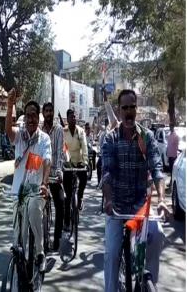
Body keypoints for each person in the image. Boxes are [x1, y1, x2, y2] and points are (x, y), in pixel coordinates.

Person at [102, 89, 169, 292]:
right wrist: (109, 200)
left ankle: (148, 282)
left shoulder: (146, 137)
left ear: (136, 109)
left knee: (157, 235)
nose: (129, 111)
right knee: (112, 254)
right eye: (125, 108)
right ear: (119, 111)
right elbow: (107, 173)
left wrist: (162, 200)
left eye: (132, 107)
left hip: (141, 208)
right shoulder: (111, 139)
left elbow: (157, 169)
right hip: (118, 208)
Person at [6, 88, 51, 272]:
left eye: (34, 115)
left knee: (33, 208)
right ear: (24, 118)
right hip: (20, 190)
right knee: (18, 229)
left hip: (36, 190)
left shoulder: (44, 139)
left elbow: (47, 161)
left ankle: (40, 253)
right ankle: (21, 256)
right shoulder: (19, 136)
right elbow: (8, 129)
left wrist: (44, 183)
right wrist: (9, 105)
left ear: (38, 117)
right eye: (27, 116)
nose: (31, 119)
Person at [41, 102, 64, 251]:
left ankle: (56, 238)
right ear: (43, 113)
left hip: (55, 173)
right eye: (46, 111)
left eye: (51, 111)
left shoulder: (59, 130)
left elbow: (60, 152)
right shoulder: (39, 130)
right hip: (42, 174)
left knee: (60, 204)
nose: (49, 113)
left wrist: (60, 172)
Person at [63, 109, 88, 216]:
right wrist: (65, 160)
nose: (73, 119)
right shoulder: (63, 131)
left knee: (84, 178)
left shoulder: (80, 131)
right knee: (68, 195)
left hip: (79, 162)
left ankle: (80, 197)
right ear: (67, 119)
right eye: (71, 117)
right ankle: (67, 222)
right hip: (68, 163)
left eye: (74, 117)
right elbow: (63, 148)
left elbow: (84, 146)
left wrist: (85, 161)